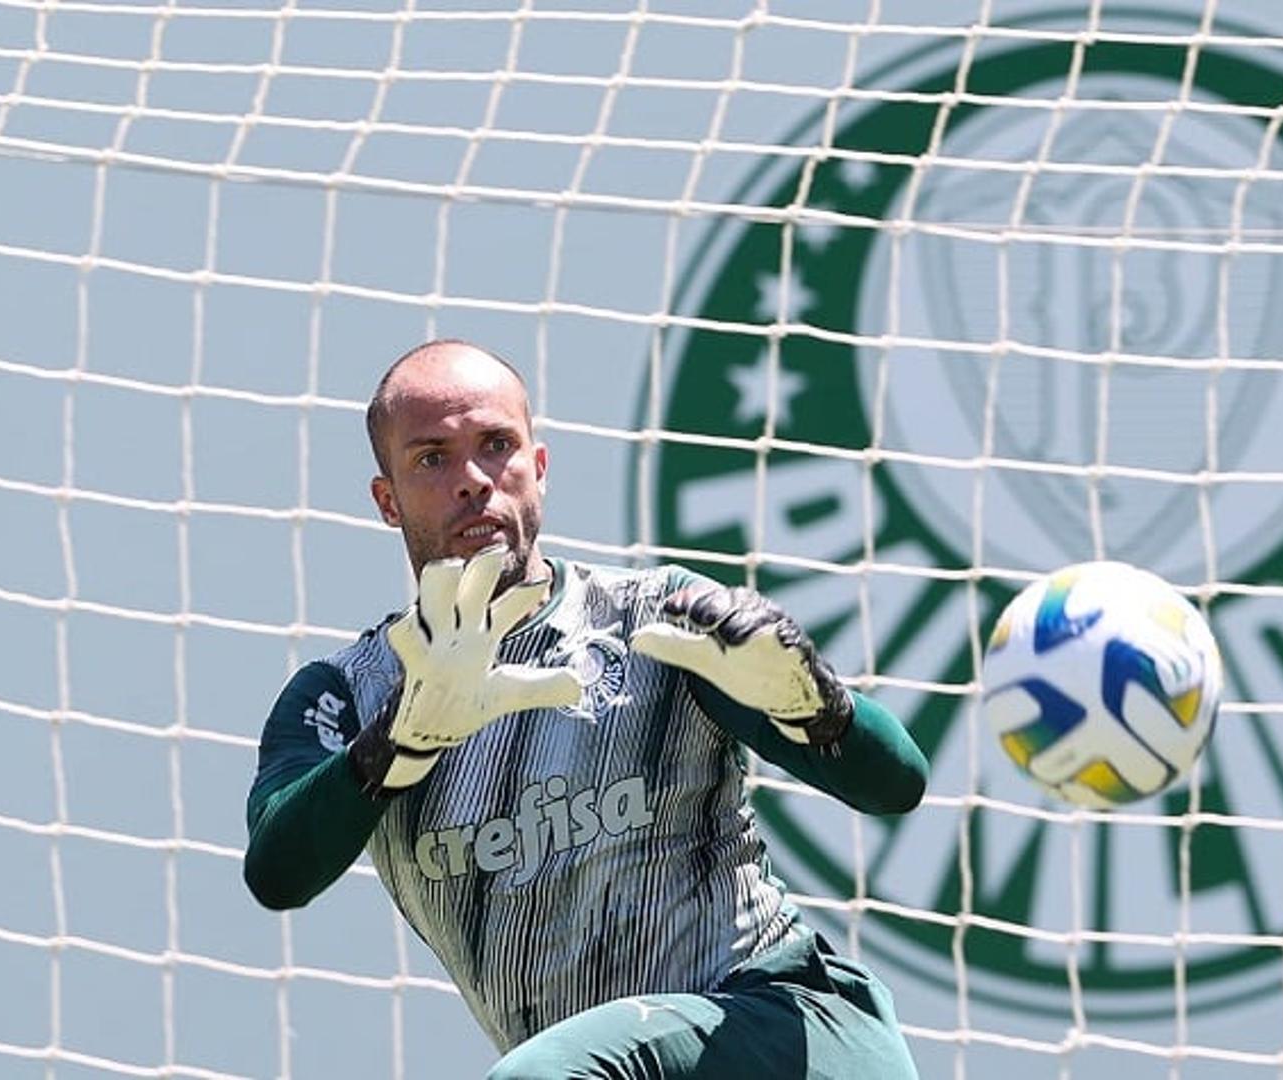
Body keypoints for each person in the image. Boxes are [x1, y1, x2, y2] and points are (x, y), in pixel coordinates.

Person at [242, 339, 929, 1079]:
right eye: (432, 459)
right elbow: (278, 875)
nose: (473, 480)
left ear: (537, 467)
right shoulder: (347, 693)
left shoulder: (660, 622)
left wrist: (817, 707)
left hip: (789, 1030)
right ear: (387, 500)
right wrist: (397, 745)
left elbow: (895, 786)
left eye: (496, 445)